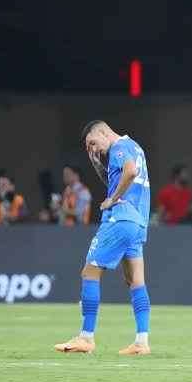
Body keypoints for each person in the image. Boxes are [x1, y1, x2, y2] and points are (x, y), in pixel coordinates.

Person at [54, 120, 152, 356]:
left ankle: (86, 337)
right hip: (138, 222)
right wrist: (98, 164)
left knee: (90, 272)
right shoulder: (134, 147)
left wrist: (112, 200)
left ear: (103, 132)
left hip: (120, 219)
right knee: (135, 280)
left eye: (93, 143)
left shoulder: (119, 147)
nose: (93, 149)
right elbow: (117, 180)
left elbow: (130, 172)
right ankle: (142, 341)